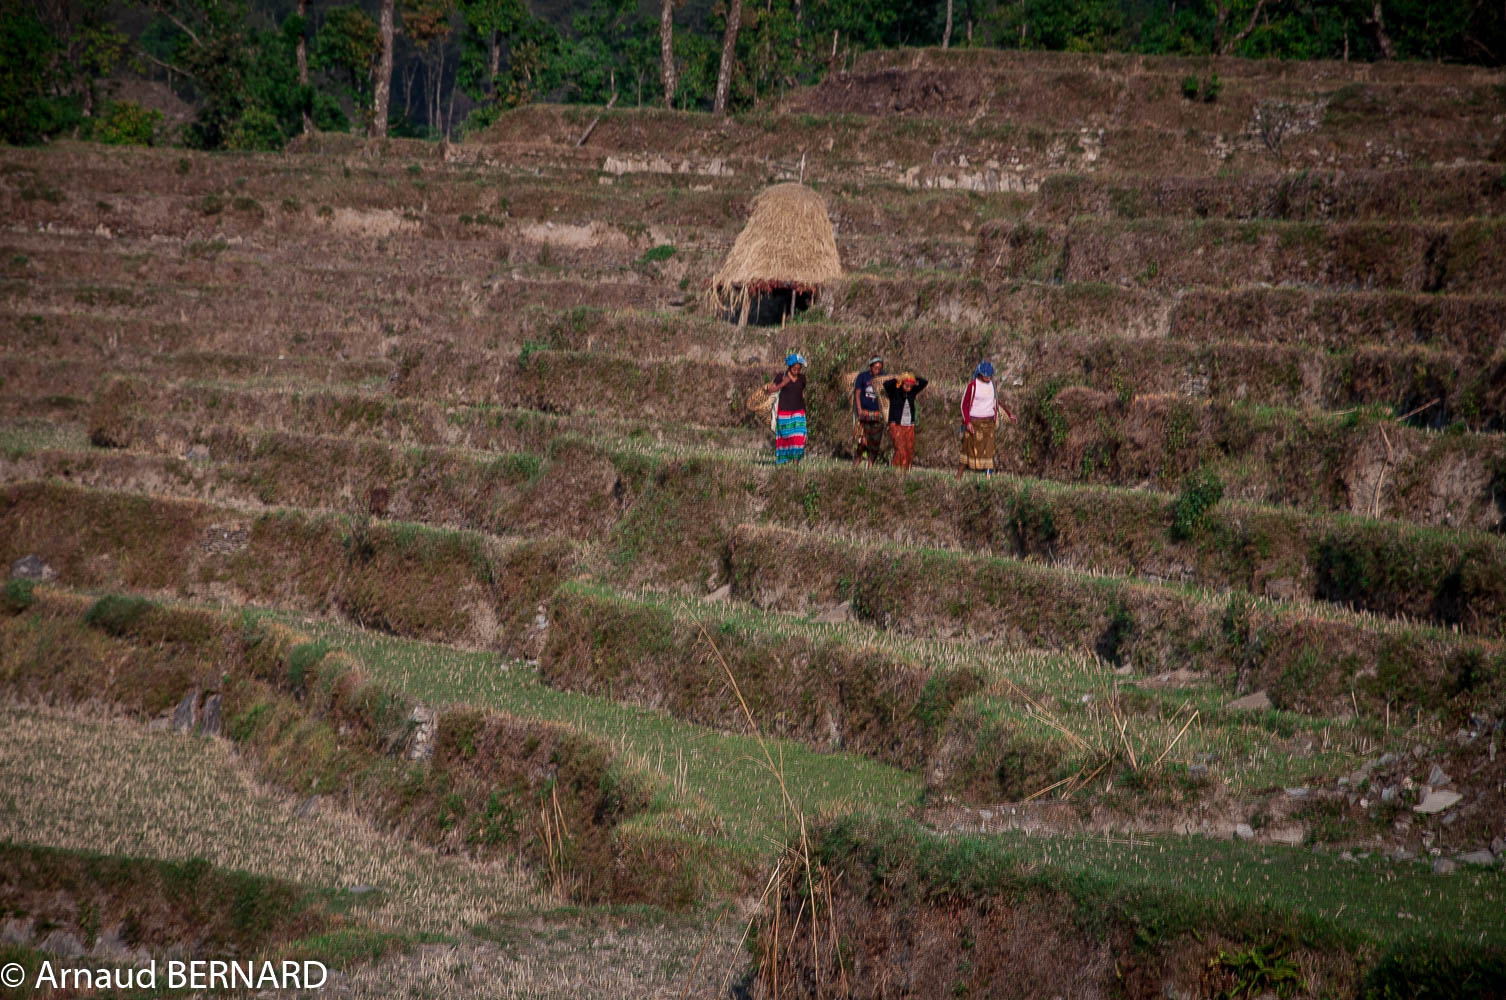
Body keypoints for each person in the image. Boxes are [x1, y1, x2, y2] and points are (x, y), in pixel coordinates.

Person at [958, 361, 1014, 478]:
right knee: (968, 449)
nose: (988, 378)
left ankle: (988, 477)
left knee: (989, 450)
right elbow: (964, 405)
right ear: (980, 374)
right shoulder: (972, 386)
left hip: (989, 422)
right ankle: (959, 475)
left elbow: (996, 402)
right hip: (974, 422)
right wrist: (967, 422)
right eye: (986, 376)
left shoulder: (993, 385)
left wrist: (1009, 414)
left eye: (990, 376)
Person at [763, 353, 808, 465]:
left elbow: (803, 393)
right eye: (794, 368)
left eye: (799, 369)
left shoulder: (802, 378)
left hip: (799, 411)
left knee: (799, 436)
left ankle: (796, 462)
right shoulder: (781, 376)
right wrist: (783, 383)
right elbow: (770, 390)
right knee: (785, 437)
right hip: (784, 412)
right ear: (789, 367)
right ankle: (784, 462)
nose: (796, 371)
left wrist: (803, 404)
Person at [882, 370, 928, 472]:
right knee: (900, 448)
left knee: (909, 449)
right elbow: (886, 384)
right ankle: (897, 470)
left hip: (909, 425)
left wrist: (913, 377)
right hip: (896, 423)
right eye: (906, 385)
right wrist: (897, 379)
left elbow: (924, 382)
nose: (908, 388)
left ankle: (907, 470)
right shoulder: (894, 390)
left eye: (910, 386)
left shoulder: (912, 391)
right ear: (902, 383)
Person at [852, 355, 887, 466]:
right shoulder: (863, 377)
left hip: (878, 414)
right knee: (861, 440)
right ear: (871, 367)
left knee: (875, 441)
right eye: (875, 368)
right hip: (864, 412)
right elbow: (857, 394)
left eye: (879, 368)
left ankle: (871, 463)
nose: (877, 370)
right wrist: (859, 410)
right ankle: (858, 458)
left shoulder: (883, 378)